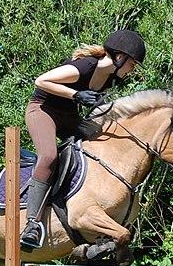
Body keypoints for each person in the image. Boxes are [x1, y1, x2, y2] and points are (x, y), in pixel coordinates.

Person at [20, 29, 146, 250]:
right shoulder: (86, 65)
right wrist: (76, 95)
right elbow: (41, 81)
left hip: (69, 117)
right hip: (42, 111)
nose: (132, 70)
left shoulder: (110, 79)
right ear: (119, 57)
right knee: (49, 156)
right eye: (132, 64)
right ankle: (32, 224)